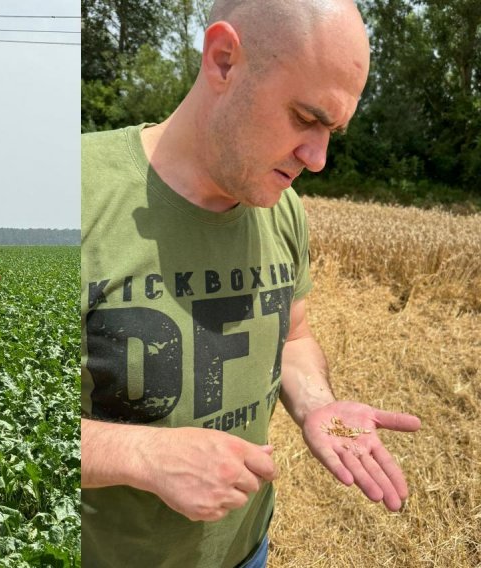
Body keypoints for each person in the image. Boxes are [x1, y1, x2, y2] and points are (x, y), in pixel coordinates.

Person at [80, 1, 422, 567]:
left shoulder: (281, 208)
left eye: (332, 130)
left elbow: (293, 336)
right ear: (222, 60)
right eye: (306, 118)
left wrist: (318, 406)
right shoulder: (80, 194)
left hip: (248, 551)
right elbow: (7, 427)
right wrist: (140, 454)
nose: (317, 158)